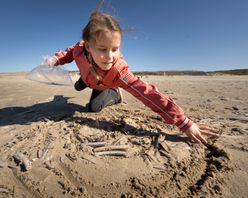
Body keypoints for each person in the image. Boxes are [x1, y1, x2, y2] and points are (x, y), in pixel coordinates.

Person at [46, 10, 218, 145]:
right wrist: (56, 59)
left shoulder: (120, 73)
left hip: (103, 84)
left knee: (93, 108)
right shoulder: (79, 49)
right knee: (78, 86)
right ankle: (85, 82)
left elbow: (147, 93)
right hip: (89, 76)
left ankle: (114, 93)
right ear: (89, 47)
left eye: (115, 49)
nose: (110, 56)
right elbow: (68, 53)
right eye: (103, 49)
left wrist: (184, 122)